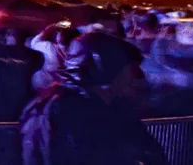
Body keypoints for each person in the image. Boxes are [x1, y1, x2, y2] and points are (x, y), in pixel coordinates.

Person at [20, 31, 167, 165]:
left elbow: (149, 151)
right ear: (107, 69)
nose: (137, 76)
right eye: (130, 69)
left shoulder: (116, 106)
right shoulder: (56, 109)